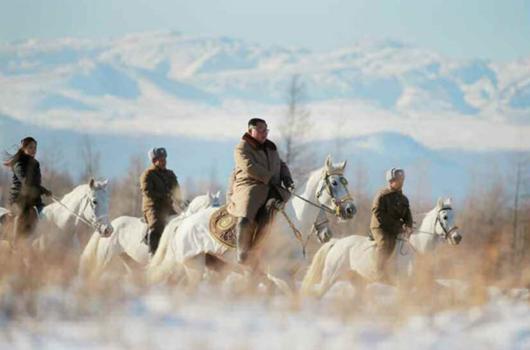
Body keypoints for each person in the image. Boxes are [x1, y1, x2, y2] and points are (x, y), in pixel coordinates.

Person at [227, 118, 294, 263]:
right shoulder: (242, 147)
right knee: (245, 212)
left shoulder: (271, 147)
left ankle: (261, 244)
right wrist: (268, 177)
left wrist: (286, 177)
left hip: (272, 186)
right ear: (251, 130)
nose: (264, 133)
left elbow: (281, 164)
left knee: (277, 207)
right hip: (250, 185)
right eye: (261, 130)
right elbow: (248, 165)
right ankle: (242, 252)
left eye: (266, 130)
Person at [3, 137, 52, 241]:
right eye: (30, 147)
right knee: (22, 215)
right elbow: (26, 183)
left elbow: (36, 183)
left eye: (35, 148)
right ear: (24, 149)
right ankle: (16, 243)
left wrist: (43, 191)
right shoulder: (18, 164)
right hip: (19, 198)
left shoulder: (36, 164)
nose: (33, 150)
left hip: (34, 199)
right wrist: (43, 190)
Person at [370, 168, 413, 282]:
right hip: (380, 227)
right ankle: (379, 271)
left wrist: (408, 226)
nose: (401, 182)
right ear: (390, 181)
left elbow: (408, 215)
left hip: (395, 228)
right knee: (385, 244)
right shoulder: (382, 195)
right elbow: (378, 213)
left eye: (402, 180)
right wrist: (398, 226)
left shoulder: (404, 199)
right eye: (398, 180)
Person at [140, 147, 180, 255]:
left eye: (165, 159)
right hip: (153, 207)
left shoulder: (170, 174)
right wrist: (164, 196)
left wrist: (182, 201)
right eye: (161, 160)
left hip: (167, 207)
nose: (164, 162)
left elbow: (176, 190)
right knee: (156, 225)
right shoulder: (148, 174)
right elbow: (147, 192)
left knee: (179, 222)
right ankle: (152, 254)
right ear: (154, 161)